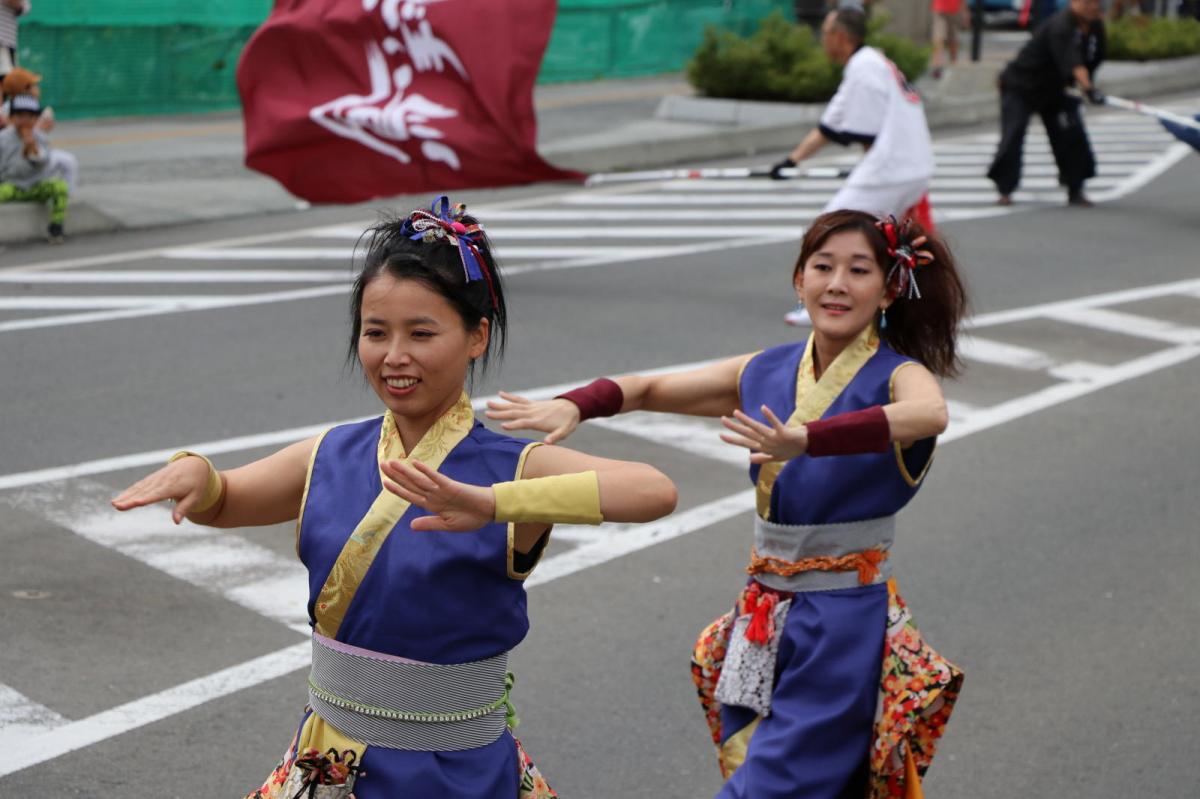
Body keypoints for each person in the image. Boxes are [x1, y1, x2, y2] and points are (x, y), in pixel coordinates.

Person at [111, 197, 679, 799]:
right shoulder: (330, 452)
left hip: (452, 769)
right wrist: (198, 475)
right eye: (375, 332)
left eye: (422, 333)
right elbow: (227, 500)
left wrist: (494, 504)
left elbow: (654, 490)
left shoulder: (511, 467)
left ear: (476, 336)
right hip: (329, 758)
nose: (394, 355)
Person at [487, 209, 967, 799]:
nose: (837, 283)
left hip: (844, 623)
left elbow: (930, 415)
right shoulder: (765, 370)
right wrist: (577, 405)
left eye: (858, 270)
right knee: (793, 779)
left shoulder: (898, 376)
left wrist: (808, 439)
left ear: (890, 288)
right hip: (764, 614)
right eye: (822, 266)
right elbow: (650, 387)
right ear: (799, 279)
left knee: (769, 787)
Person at [768, 8, 934, 326]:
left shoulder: (864, 68)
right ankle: (890, 303)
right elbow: (830, 125)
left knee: (830, 228)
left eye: (825, 33)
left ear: (840, 37)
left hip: (892, 167)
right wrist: (791, 161)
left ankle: (818, 301)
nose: (822, 40)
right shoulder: (866, 63)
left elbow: (866, 134)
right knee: (882, 240)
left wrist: (865, 172)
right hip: (910, 166)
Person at [986, 0, 1106, 208]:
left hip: (1057, 88)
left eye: (1096, 2)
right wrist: (1088, 89)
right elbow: (1074, 62)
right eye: (1087, 2)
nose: (1092, 6)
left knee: (1071, 133)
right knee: (1013, 134)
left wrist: (1088, 86)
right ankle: (1005, 189)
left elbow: (1093, 59)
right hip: (1022, 85)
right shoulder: (1061, 24)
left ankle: (1075, 188)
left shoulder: (1096, 26)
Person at [0, 93, 68, 243]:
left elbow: (45, 163)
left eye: (30, 116)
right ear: (11, 118)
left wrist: (33, 149)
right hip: (11, 185)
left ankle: (56, 227)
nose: (24, 120)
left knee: (60, 187)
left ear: (36, 119)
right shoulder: (3, 138)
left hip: (35, 185)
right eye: (20, 115)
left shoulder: (40, 137)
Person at [1, 67, 77, 192]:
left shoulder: (32, 105)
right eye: (34, 85)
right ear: (23, 89)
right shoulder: (8, 110)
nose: (37, 88)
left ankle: (67, 196)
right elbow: (12, 135)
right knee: (65, 161)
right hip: (12, 160)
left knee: (68, 161)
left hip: (34, 154)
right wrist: (39, 129)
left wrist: (41, 130)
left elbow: (39, 139)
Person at [930, 0, 966, 80]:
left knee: (950, 38)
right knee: (940, 38)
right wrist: (964, 11)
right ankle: (937, 65)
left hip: (951, 9)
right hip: (942, 9)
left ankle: (952, 62)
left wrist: (964, 11)